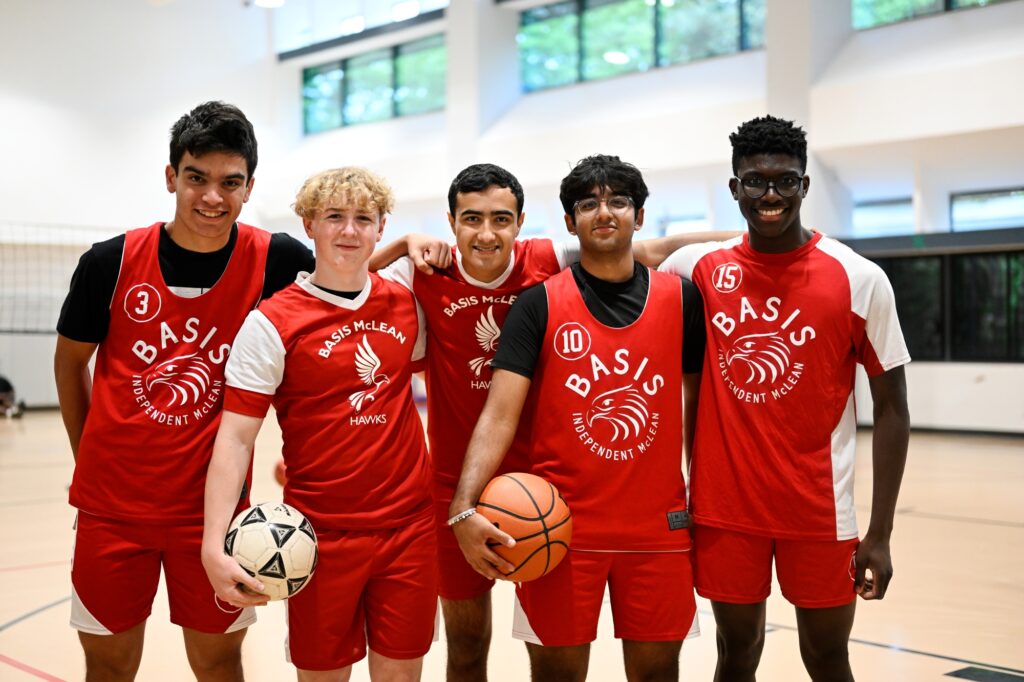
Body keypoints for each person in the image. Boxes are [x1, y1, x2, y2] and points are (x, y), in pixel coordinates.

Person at [370, 162, 718, 681]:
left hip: (544, 487)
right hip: (456, 481)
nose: (487, 233)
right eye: (471, 219)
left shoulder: (545, 259)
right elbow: (341, 282)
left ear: (522, 222)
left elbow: (653, 250)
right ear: (451, 221)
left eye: (501, 219)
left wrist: (761, 236)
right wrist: (401, 244)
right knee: (466, 646)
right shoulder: (425, 271)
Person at [53, 101, 317, 682]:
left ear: (250, 187)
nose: (212, 197)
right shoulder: (110, 263)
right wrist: (87, 452)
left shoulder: (278, 260)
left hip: (215, 515)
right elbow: (71, 363)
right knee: (109, 665)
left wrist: (403, 248)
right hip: (112, 512)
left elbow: (347, 290)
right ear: (171, 176)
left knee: (219, 663)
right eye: (196, 178)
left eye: (230, 182)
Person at [659, 115, 911, 682]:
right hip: (725, 511)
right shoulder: (697, 269)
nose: (769, 195)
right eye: (754, 181)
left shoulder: (859, 278)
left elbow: (893, 409)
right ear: (734, 188)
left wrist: (881, 532)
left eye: (784, 181)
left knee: (826, 658)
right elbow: (621, 254)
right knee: (736, 652)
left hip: (820, 511)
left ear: (804, 185)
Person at [202, 167, 437, 682]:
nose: (349, 231)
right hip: (316, 538)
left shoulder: (407, 303)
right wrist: (212, 542)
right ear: (309, 224)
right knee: (323, 677)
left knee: (402, 676)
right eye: (334, 217)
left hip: (410, 530)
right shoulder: (271, 323)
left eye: (362, 219)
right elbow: (236, 439)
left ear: (381, 227)